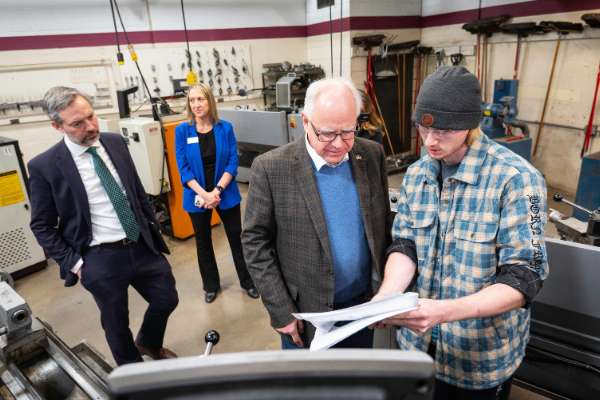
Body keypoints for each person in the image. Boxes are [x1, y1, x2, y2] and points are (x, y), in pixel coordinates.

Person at [371, 66, 549, 399]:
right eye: (423, 130)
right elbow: (405, 243)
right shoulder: (416, 175)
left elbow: (525, 277)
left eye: (443, 131)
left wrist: (443, 312)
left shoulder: (515, 180)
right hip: (417, 351)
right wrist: (388, 294)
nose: (430, 142)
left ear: (471, 124)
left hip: (478, 359)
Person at [29, 87, 179, 366]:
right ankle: (134, 374)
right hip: (98, 257)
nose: (90, 126)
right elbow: (42, 225)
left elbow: (136, 192)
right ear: (57, 126)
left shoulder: (115, 142)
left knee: (167, 299)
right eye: (77, 123)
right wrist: (76, 264)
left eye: (91, 116)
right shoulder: (44, 166)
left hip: (141, 244)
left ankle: (148, 343)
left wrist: (153, 232)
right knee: (116, 324)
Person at [242, 77, 392, 349]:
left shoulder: (371, 155)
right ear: (306, 122)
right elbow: (255, 243)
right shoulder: (271, 169)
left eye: (348, 131)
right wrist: (280, 309)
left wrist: (386, 288)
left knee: (356, 386)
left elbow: (383, 225)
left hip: (363, 307)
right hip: (305, 315)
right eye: (327, 133)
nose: (338, 143)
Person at [175, 83, 258, 304]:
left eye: (200, 99)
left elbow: (233, 162)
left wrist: (217, 190)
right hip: (197, 196)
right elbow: (183, 169)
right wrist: (206, 194)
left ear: (209, 101)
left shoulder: (225, 128)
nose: (196, 105)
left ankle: (248, 281)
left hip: (225, 193)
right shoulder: (182, 130)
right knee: (203, 242)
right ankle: (211, 286)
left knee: (237, 239)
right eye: (192, 100)